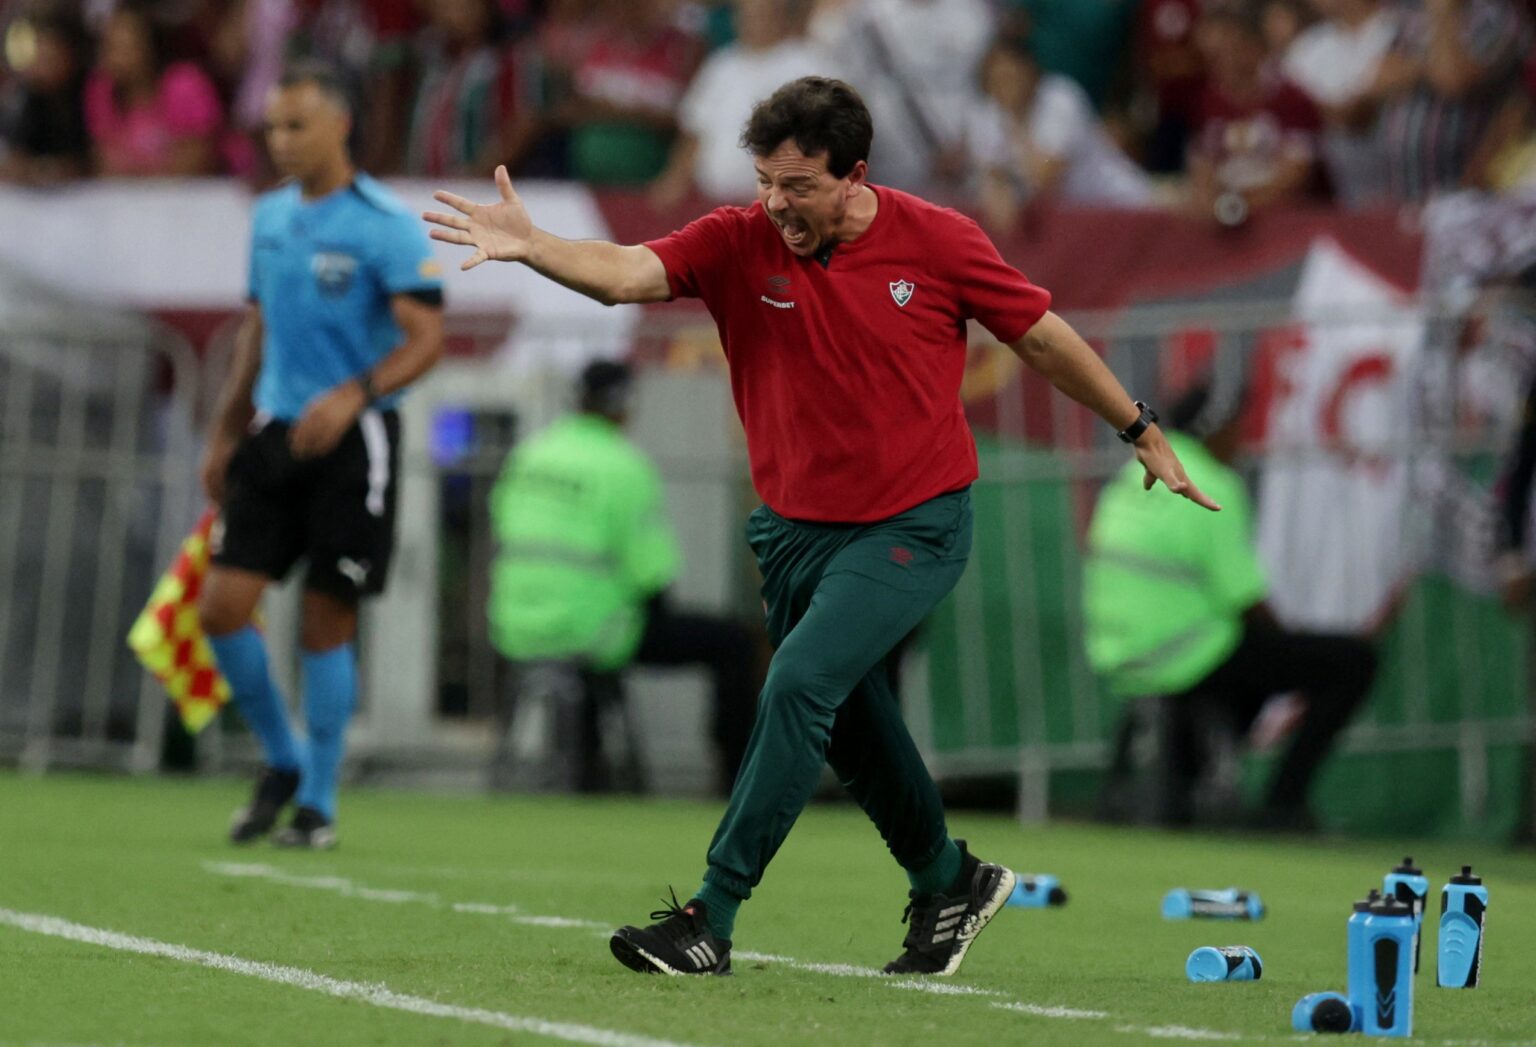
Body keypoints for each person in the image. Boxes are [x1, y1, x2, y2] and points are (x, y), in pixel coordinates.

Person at [424, 75, 1214, 978]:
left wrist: (1139, 428)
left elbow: (1041, 336)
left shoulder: (939, 240)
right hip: (795, 533)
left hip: (914, 521)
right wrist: (535, 247)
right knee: (847, 720)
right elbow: (630, 273)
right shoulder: (736, 239)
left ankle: (708, 916)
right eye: (764, 179)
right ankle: (949, 878)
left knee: (798, 678)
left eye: (796, 185)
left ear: (854, 175)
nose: (775, 203)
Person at [198, 61, 445, 849]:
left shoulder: (386, 224)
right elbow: (257, 330)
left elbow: (427, 338)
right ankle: (282, 758)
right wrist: (226, 428)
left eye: (296, 125)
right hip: (274, 433)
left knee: (324, 622)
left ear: (340, 125)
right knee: (222, 607)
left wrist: (354, 395)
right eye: (273, 126)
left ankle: (320, 803)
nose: (281, 141)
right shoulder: (269, 219)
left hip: (355, 439)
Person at [1083, 379, 1376, 830]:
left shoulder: (1131, 475)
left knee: (1254, 668)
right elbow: (1248, 603)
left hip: (1121, 654)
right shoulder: (1207, 482)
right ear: (1215, 430)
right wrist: (1286, 642)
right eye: (1239, 427)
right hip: (1190, 654)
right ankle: (1283, 802)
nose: (1244, 439)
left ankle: (1185, 779)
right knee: (1350, 662)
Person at [487, 360, 759, 794]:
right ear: (623, 405)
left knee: (601, 649)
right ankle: (737, 782)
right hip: (593, 631)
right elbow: (651, 573)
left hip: (514, 627)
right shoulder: (623, 465)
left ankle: (589, 775)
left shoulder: (530, 454)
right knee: (734, 644)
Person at [84, 4, 225, 177]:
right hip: (129, 198)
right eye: (108, 47)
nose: (114, 58)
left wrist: (137, 175)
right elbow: (104, 163)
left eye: (125, 48)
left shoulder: (184, 83)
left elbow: (198, 160)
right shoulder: (101, 89)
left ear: (149, 47)